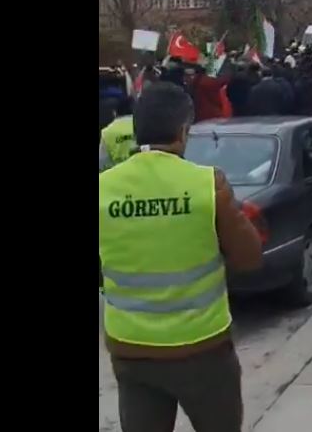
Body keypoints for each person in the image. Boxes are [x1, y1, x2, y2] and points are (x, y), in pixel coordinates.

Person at [100, 82, 263, 432]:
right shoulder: (208, 185)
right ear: (183, 131)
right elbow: (249, 258)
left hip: (132, 352)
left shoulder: (103, 189)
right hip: (203, 351)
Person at [99, 96, 134, 171]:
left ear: (115, 113)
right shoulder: (143, 125)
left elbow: (102, 163)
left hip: (119, 175)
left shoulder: (107, 132)